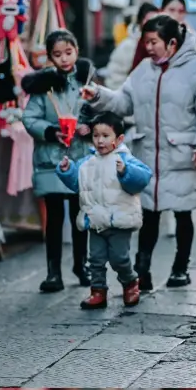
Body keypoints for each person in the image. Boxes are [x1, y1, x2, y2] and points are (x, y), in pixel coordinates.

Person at [82, 15, 196, 291]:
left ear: (171, 43)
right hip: (148, 155)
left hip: (184, 155)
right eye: (145, 41)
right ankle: (142, 270)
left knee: (183, 213)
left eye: (153, 41)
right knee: (148, 214)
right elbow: (124, 103)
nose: (147, 47)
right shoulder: (143, 71)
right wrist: (98, 95)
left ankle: (180, 268)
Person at [56, 113, 152, 310]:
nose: (100, 140)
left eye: (106, 136)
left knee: (119, 258)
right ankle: (98, 291)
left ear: (119, 139)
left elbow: (142, 178)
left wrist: (126, 172)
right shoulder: (87, 162)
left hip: (119, 221)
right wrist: (68, 170)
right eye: (96, 135)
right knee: (96, 260)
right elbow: (78, 184)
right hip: (95, 220)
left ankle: (130, 281)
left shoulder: (125, 159)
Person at [22, 30, 94, 293]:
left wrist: (90, 127)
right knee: (53, 217)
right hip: (50, 159)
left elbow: (100, 111)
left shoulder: (88, 82)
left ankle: (81, 264)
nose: (64, 59)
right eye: (57, 54)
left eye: (68, 52)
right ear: (50, 57)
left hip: (79, 158)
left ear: (77, 50)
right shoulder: (42, 86)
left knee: (79, 215)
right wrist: (51, 132)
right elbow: (29, 118)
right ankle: (53, 272)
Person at [104, 1, 157, 91]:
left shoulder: (162, 45)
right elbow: (114, 78)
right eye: (148, 20)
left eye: (156, 21)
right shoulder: (129, 45)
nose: (153, 25)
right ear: (140, 22)